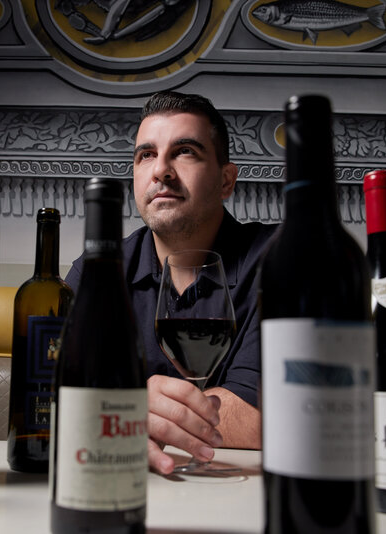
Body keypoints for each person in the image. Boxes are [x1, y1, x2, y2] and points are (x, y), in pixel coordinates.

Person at [64, 91, 277, 475]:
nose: (160, 170)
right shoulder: (93, 274)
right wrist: (126, 414)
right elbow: (60, 406)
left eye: (185, 152)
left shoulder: (278, 261)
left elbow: (265, 415)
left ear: (226, 180)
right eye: (146, 155)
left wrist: (122, 415)